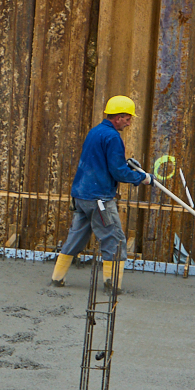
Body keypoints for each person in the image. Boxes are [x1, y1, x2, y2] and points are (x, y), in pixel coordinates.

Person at [52, 95, 154, 293]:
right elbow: (117, 171)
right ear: (118, 117)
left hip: (81, 196)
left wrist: (129, 168)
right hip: (99, 198)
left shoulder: (95, 132)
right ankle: (112, 285)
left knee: (76, 237)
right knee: (114, 238)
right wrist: (142, 178)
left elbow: (103, 163)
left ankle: (57, 279)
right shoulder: (113, 137)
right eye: (127, 118)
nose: (129, 122)